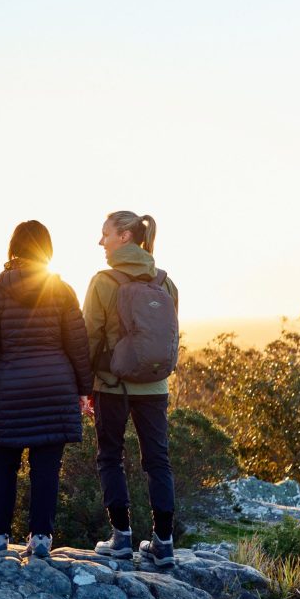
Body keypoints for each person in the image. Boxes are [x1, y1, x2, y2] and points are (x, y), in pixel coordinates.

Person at [0, 221, 93, 557]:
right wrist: (84, 388)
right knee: (46, 468)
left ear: (14, 248)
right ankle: (40, 538)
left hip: (9, 387)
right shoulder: (61, 289)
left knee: (3, 462)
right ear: (46, 251)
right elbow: (78, 343)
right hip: (56, 386)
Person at [84, 211, 179, 567]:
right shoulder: (166, 282)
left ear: (124, 236)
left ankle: (121, 538)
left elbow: (89, 338)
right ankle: (164, 543)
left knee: (110, 456)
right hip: (155, 387)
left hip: (112, 385)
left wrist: (85, 384)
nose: (100, 241)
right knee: (158, 461)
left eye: (105, 233)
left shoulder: (103, 281)